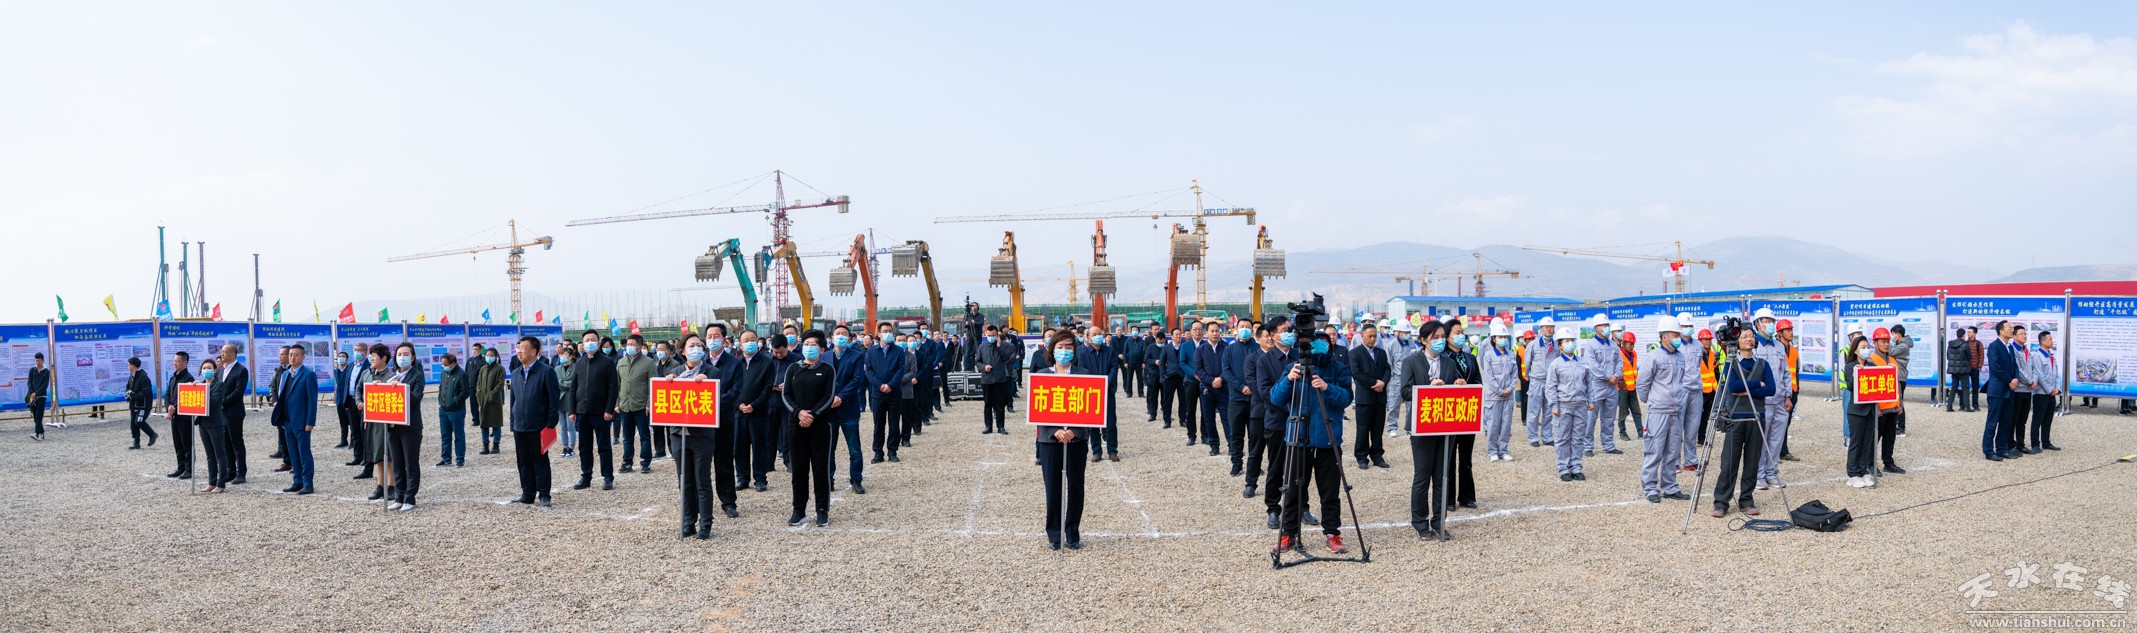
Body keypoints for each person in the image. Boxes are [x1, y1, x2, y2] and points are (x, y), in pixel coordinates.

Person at [1270, 329, 1353, 554]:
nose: (1318, 345)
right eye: (1314, 341)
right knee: (1293, 490)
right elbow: (1276, 398)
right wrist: (1289, 380)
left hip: (1328, 439)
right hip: (1298, 438)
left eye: (1324, 341)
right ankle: (1289, 533)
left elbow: (1346, 398)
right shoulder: (1293, 367)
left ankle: (1332, 534)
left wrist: (1327, 387)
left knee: (1330, 491)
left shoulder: (1338, 369)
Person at [1402, 320, 1473, 539]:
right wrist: (1426, 389)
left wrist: (1458, 386)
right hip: (1422, 425)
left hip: (1445, 424)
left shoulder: (1448, 362)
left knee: (1442, 475)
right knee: (1422, 476)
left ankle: (1439, 521)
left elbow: (1452, 389)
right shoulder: (1411, 361)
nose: (1441, 341)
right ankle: (1420, 524)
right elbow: (1405, 391)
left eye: (1443, 337)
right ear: (1424, 340)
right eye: (1436, 338)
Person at [669, 331, 738, 536]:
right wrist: (669, 383)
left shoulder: (712, 372)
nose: (696, 349)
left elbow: (716, 402)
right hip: (679, 434)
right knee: (685, 480)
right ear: (682, 351)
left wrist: (706, 384)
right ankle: (688, 521)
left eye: (698, 345)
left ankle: (705, 522)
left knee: (702, 479)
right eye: (691, 346)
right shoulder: (675, 371)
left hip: (702, 435)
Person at [1034, 331, 1095, 551]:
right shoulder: (1042, 375)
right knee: (1053, 488)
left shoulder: (1084, 374)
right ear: (1052, 350)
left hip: (1077, 441)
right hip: (1050, 441)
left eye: (1068, 347)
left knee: (1076, 487)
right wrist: (1055, 430)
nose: (1064, 351)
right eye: (1060, 347)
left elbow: (1091, 407)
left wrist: (1075, 431)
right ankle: (1054, 534)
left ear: (1075, 350)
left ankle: (1072, 533)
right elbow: (1037, 409)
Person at [1712, 328, 1774, 518]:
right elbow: (1733, 387)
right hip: (1735, 417)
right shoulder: (1730, 363)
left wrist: (1746, 389)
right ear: (1736, 341)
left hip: (1757, 417)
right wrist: (1757, 385)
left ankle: (1747, 500)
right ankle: (1721, 502)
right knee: (1729, 462)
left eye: (1751, 336)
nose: (1749, 339)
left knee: (1752, 462)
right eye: (1744, 336)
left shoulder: (1763, 364)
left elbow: (1771, 389)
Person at [1635, 315, 1695, 503]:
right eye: (1674, 334)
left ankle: (1670, 487)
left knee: (1672, 452)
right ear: (1664, 337)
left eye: (1678, 334)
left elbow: (1681, 381)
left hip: (1676, 410)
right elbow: (1642, 385)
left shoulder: (1681, 357)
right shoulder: (1653, 357)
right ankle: (1650, 487)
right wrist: (1655, 401)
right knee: (1654, 451)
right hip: (1658, 411)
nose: (1678, 337)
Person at [780, 331, 837, 526]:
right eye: (806, 344)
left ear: (821, 349)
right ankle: (799, 510)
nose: (809, 347)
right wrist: (799, 413)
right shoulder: (793, 368)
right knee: (799, 470)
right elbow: (786, 395)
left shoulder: (827, 370)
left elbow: (828, 397)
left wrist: (812, 415)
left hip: (820, 426)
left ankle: (822, 510)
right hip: (796, 426)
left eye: (813, 344)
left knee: (820, 469)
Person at [506, 336, 560, 507]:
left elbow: (553, 399)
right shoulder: (516, 373)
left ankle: (544, 494)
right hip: (520, 426)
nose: (519, 351)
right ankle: (527, 493)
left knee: (539, 460)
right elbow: (513, 400)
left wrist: (550, 423)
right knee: (523, 461)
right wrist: (513, 422)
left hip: (539, 425)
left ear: (534, 351)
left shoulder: (546, 371)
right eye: (518, 348)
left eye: (523, 348)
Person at [568, 339, 618, 491]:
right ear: (582, 344)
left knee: (604, 446)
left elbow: (613, 388)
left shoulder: (607, 362)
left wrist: (609, 409)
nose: (590, 343)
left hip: (601, 413)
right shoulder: (579, 363)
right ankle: (586, 476)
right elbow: (573, 388)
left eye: (593, 340)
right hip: (582, 412)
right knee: (584, 447)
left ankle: (607, 477)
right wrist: (572, 410)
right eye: (587, 340)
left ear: (598, 344)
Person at [381, 343, 426, 509]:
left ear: (412, 357)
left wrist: (400, 389)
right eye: (399, 354)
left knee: (410, 463)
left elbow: (416, 397)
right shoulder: (391, 375)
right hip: (393, 426)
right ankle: (399, 496)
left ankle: (410, 498)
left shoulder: (417, 376)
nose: (402, 357)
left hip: (410, 426)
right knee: (397, 463)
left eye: (406, 354)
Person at [1340, 323, 1390, 471]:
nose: (1372, 339)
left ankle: (1377, 455)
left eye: (1375, 336)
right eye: (1369, 336)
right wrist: (1374, 383)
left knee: (1378, 429)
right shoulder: (1355, 353)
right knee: (1363, 429)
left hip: (1380, 397)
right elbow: (1357, 373)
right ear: (1362, 336)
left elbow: (1387, 370)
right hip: (1365, 398)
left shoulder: (1381, 353)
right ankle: (1361, 456)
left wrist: (1383, 382)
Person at [825, 325, 869, 493]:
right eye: (838, 334)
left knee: (854, 449)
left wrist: (841, 397)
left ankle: (856, 479)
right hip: (829, 410)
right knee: (829, 448)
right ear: (832, 337)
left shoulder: (856, 356)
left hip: (849, 408)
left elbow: (857, 380)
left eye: (844, 334)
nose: (840, 336)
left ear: (849, 338)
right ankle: (828, 479)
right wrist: (830, 398)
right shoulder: (825, 356)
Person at [733, 330, 778, 491]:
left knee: (759, 446)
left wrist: (755, 405)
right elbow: (730, 387)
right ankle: (742, 478)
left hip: (759, 412)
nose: (750, 342)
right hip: (738, 413)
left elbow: (768, 387)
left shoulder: (767, 362)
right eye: (746, 340)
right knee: (740, 447)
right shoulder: (735, 363)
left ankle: (760, 478)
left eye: (752, 339)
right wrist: (738, 404)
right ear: (740, 344)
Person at [1543, 326, 1589, 482]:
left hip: (1580, 405)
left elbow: (1589, 382)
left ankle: (1576, 467)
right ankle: (1563, 468)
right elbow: (1550, 387)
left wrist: (1591, 400)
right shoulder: (1555, 364)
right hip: (1563, 405)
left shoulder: (1582, 362)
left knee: (1578, 437)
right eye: (1566, 341)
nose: (1570, 343)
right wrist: (1554, 405)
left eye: (1572, 340)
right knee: (1563, 438)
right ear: (1560, 345)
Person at [273, 345, 320, 495]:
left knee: (304, 453)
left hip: (302, 421)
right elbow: (282, 396)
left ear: (303, 357)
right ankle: (297, 481)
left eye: (296, 355)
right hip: (287, 420)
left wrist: (310, 421)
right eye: (291, 355)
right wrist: (281, 418)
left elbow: (312, 400)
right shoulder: (286, 374)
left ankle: (308, 483)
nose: (292, 358)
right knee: (293, 453)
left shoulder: (308, 375)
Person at [1578, 315, 1623, 457]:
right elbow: (1593, 366)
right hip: (1596, 386)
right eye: (1604, 325)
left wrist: (1616, 376)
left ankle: (1608, 445)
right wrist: (1609, 377)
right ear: (1597, 328)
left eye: (1607, 325)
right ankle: (1587, 446)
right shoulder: (1591, 345)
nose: (1607, 328)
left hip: (1612, 387)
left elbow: (1619, 362)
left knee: (1609, 418)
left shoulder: (1613, 345)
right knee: (1590, 418)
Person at [864, 322, 909, 464]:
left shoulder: (898, 351)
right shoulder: (871, 351)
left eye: (890, 331)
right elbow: (869, 370)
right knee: (879, 424)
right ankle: (878, 452)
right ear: (878, 334)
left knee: (894, 424)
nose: (888, 333)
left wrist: (890, 385)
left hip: (894, 392)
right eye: (885, 331)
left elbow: (900, 370)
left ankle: (892, 451)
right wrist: (880, 385)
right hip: (877, 393)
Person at [1076, 325, 1122, 461]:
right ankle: (1096, 451)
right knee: (1093, 423)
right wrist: (1094, 384)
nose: (1098, 336)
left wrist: (1106, 382)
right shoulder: (1083, 353)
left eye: (1099, 333)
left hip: (1108, 391)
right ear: (1089, 338)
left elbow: (1114, 367)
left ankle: (1112, 450)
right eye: (1094, 334)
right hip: (1091, 392)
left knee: (1110, 422)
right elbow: (1082, 369)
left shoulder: (1110, 351)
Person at [613, 334, 656, 474]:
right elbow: (617, 385)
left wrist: (649, 404)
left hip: (641, 406)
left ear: (639, 346)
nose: (629, 347)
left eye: (632, 344)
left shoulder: (648, 362)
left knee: (644, 436)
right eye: (628, 344)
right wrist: (617, 403)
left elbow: (652, 385)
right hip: (625, 406)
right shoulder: (621, 362)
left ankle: (645, 462)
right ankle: (627, 462)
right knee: (627, 437)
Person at [1479, 320, 1520, 463]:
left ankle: (1504, 450)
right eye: (1500, 337)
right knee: (1493, 425)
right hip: (1494, 396)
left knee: (1506, 425)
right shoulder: (1488, 355)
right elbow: (1488, 376)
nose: (1503, 339)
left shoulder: (1511, 354)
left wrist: (1509, 389)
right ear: (1494, 339)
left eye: (1505, 337)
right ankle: (1492, 451)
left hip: (1508, 396)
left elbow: (1515, 374)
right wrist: (1499, 390)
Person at [1982, 321, 2022, 461]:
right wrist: (2009, 380)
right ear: (2001, 331)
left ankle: (2002, 449)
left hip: (2009, 390)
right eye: (2009, 328)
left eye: (2012, 328)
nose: (2012, 330)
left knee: (2006, 422)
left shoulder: (2010, 347)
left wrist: (2015, 378)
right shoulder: (1994, 346)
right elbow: (1996, 367)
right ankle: (1988, 451)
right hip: (1997, 390)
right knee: (1992, 422)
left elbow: (2015, 366)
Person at [214, 344, 251, 484]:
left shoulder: (241, 370)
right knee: (226, 444)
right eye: (222, 351)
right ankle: (231, 471)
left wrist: (223, 402)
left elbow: (238, 391)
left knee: (236, 443)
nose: (222, 354)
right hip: (221, 412)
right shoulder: (221, 370)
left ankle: (241, 473)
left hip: (234, 412)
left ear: (233, 354)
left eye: (225, 352)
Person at [196, 359, 234, 493]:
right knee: (209, 455)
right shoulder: (200, 384)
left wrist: (200, 391)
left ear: (215, 370)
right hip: (203, 422)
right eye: (204, 368)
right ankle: (211, 482)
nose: (206, 370)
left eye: (209, 368)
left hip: (215, 423)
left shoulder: (219, 384)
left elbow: (214, 401)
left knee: (220, 454)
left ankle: (221, 483)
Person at [1523, 317, 1560, 448]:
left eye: (1551, 327)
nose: (1549, 329)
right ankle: (1533, 437)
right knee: (1533, 411)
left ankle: (1547, 437)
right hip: (1536, 381)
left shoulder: (1557, 346)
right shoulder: (1533, 345)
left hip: (1551, 383)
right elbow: (1527, 362)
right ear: (1541, 329)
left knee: (1549, 412)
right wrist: (1529, 377)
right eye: (1546, 327)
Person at [1193, 322, 1226, 455]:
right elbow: (1198, 370)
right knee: (1209, 419)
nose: (1215, 334)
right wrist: (1212, 381)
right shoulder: (1200, 350)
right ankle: (1214, 445)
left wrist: (1221, 378)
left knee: (1227, 419)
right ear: (1207, 333)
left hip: (1224, 388)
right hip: (1207, 389)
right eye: (1212, 331)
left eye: (1217, 331)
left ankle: (1232, 445)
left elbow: (1229, 367)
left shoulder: (1226, 348)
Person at [2028, 331, 2064, 453]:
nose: (2052, 341)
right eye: (2050, 339)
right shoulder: (2037, 356)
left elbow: (2056, 374)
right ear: (2043, 341)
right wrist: (2049, 389)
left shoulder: (2051, 355)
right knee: (2037, 419)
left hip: (2051, 393)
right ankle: (2035, 444)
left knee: (2048, 419)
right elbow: (2039, 375)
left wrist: (2057, 388)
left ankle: (2046, 442)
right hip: (2041, 393)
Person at [162, 351, 196, 478]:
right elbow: (167, 395)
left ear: (185, 363)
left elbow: (186, 397)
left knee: (187, 443)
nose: (175, 363)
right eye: (174, 361)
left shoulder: (189, 378)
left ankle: (189, 469)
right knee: (177, 443)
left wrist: (174, 408)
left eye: (178, 361)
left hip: (184, 416)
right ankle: (180, 467)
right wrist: (168, 407)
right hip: (174, 416)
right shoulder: (173, 378)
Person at [433, 354, 467, 468]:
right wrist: (440, 400)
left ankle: (460, 459)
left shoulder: (461, 374)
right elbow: (441, 387)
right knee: (445, 435)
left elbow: (465, 392)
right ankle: (446, 458)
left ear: (453, 364)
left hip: (456, 410)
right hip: (443, 409)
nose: (444, 367)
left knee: (458, 435)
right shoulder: (443, 373)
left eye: (446, 365)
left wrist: (455, 401)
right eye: (442, 364)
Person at [977, 325, 1013, 434]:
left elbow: (1006, 358)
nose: (991, 337)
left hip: (1000, 379)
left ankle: (1001, 426)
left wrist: (999, 346)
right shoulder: (982, 347)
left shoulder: (1004, 345)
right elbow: (977, 362)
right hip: (987, 380)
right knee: (988, 404)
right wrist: (984, 367)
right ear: (986, 334)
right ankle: (988, 426)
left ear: (997, 335)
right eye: (989, 335)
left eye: (993, 335)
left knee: (1000, 405)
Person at [475, 347, 506, 455]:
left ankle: (496, 445)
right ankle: (485, 445)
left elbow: (500, 384)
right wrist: (479, 395)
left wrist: (492, 395)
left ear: (496, 357)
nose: (489, 357)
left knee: (496, 423)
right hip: (483, 400)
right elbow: (479, 383)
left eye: (491, 355)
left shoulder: (500, 369)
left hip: (495, 401)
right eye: (487, 355)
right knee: (484, 424)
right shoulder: (483, 369)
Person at [124, 357, 158, 449]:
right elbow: (127, 386)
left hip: (143, 405)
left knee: (139, 421)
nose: (127, 366)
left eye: (128, 364)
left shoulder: (144, 377)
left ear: (133, 366)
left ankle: (152, 434)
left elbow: (145, 391)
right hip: (133, 404)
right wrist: (127, 392)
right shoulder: (131, 376)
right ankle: (136, 443)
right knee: (133, 424)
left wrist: (134, 396)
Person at [1615, 332, 1643, 441]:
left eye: (1633, 344)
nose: (1632, 346)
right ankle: (1622, 433)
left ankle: (1641, 432)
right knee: (1623, 412)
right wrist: (1619, 381)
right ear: (1624, 343)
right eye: (1630, 344)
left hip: (1632, 387)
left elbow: (1633, 370)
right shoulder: (1618, 354)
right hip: (1622, 388)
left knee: (1637, 411)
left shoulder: (1634, 354)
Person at [1888, 323, 1913, 435]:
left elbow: (1890, 352)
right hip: (1897, 375)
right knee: (1896, 401)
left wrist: (1889, 344)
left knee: (1899, 402)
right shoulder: (1901, 344)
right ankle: (1896, 425)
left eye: (1893, 334)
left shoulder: (1903, 346)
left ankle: (1901, 428)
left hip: (1900, 376)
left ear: (1897, 335)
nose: (1892, 337)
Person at [1946, 328, 1978, 412]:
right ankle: (1967, 407)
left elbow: (1948, 357)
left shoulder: (1950, 344)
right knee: (1965, 388)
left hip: (1953, 370)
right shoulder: (1965, 345)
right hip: (1963, 369)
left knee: (1954, 387)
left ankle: (1949, 407)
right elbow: (1969, 357)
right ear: (1963, 335)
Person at [25, 353, 51, 441]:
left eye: (39, 361)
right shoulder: (32, 370)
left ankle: (36, 433)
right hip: (32, 396)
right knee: (35, 416)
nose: (37, 362)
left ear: (43, 360)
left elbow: (45, 385)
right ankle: (41, 433)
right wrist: (32, 393)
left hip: (41, 396)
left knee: (39, 416)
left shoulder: (46, 371)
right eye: (36, 361)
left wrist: (36, 393)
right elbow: (29, 382)